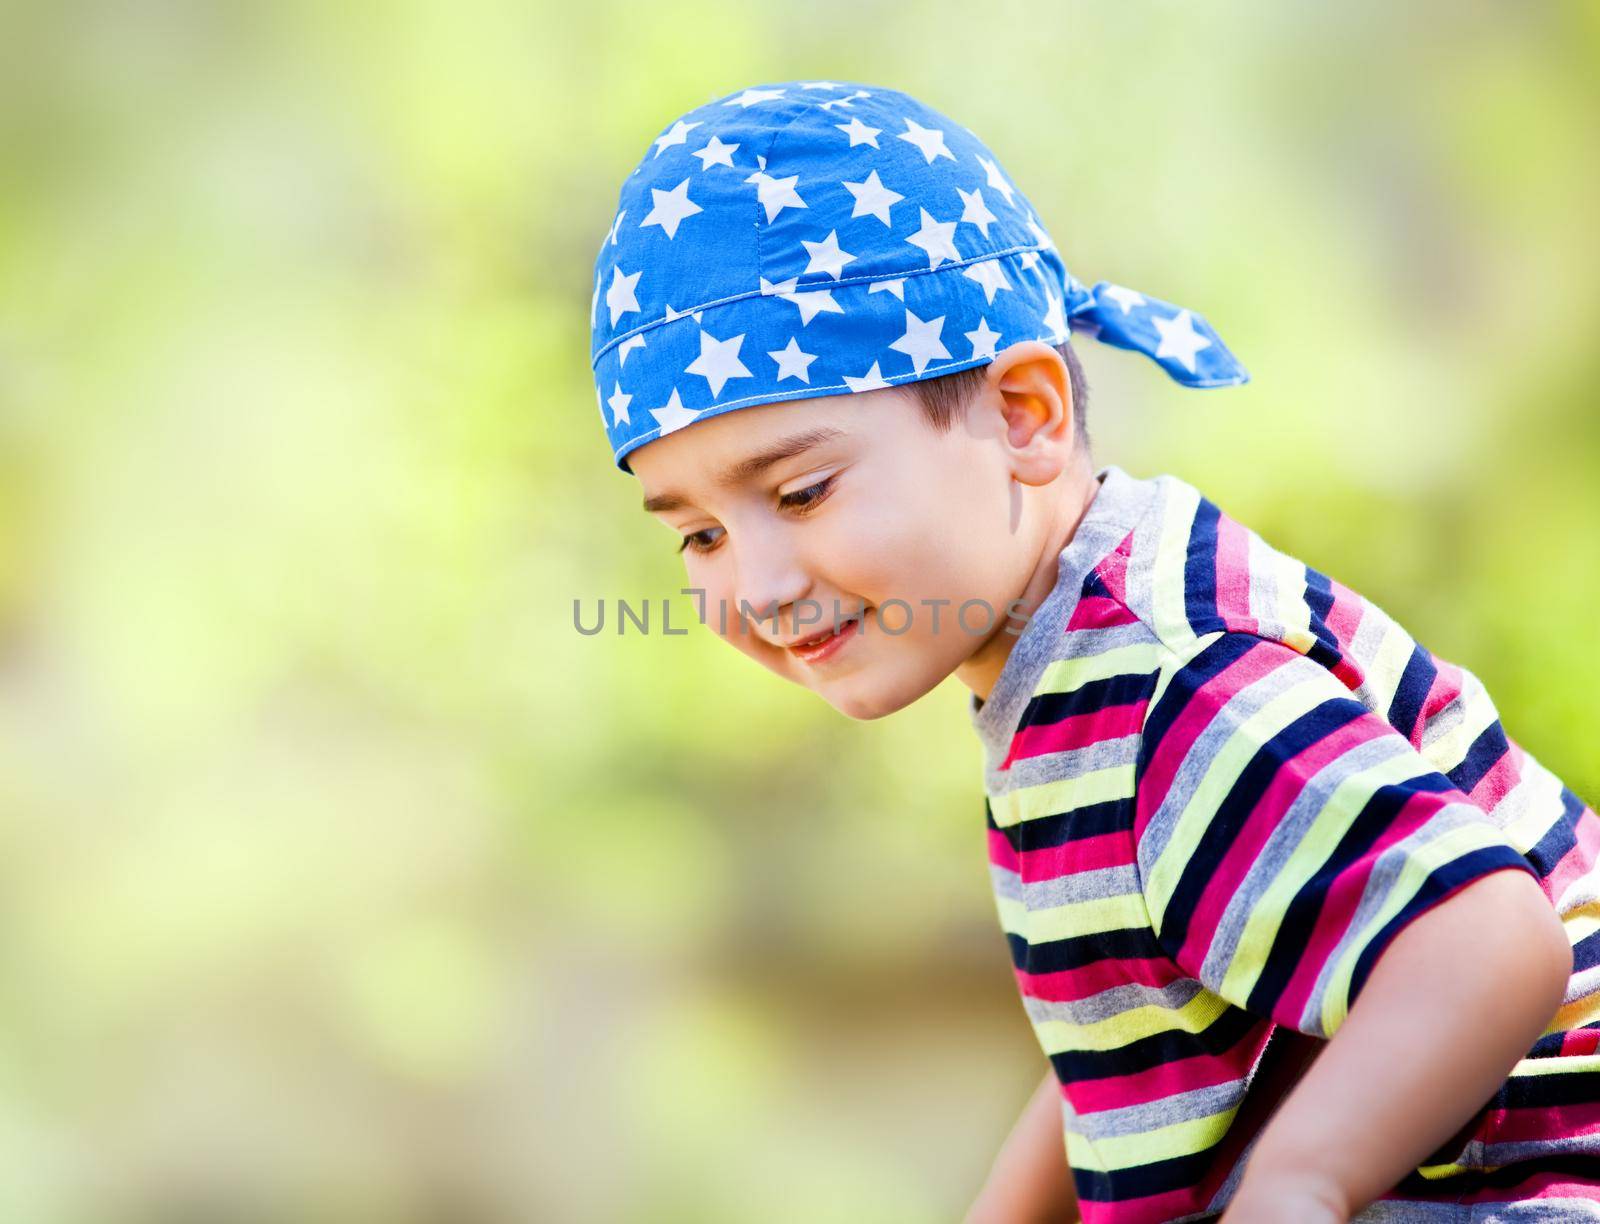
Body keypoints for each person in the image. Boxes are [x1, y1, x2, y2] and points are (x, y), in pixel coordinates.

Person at [586, 80, 1594, 1222]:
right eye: (702, 534)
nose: (757, 583)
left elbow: (1488, 938)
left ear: (1024, 414)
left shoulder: (1169, 676)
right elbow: (1124, 1030)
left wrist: (1300, 1188)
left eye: (803, 491)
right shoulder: (1063, 666)